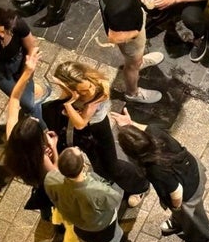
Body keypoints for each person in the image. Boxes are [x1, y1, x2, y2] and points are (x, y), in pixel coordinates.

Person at [114, 107, 209, 242]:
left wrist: (177, 207)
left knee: (193, 218)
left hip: (188, 189)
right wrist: (129, 125)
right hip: (190, 168)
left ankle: (198, 240)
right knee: (183, 215)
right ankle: (179, 222)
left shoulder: (155, 167)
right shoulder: (153, 132)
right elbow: (144, 129)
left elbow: (177, 191)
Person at [53, 61, 150, 206]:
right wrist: (70, 102)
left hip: (99, 126)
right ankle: (106, 176)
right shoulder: (70, 93)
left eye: (88, 87)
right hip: (84, 130)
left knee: (113, 165)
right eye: (83, 91)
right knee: (96, 162)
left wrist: (69, 106)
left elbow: (80, 123)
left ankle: (140, 186)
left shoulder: (99, 87)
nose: (90, 91)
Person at [92, 0, 163, 103]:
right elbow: (114, 37)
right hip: (129, 34)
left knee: (136, 58)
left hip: (128, 18)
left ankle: (140, 61)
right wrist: (136, 32)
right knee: (132, 63)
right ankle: (133, 92)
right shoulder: (121, 6)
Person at [44, 147, 133, 242]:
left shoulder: (51, 180)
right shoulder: (96, 190)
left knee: (83, 237)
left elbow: (53, 180)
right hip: (103, 226)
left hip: (76, 222)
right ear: (83, 165)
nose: (76, 148)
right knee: (111, 241)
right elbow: (114, 199)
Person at [3, 49, 58, 219]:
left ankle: (45, 210)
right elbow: (56, 174)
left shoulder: (13, 140)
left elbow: (14, 99)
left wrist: (27, 72)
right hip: (46, 181)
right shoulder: (41, 158)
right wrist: (54, 148)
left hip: (32, 178)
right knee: (50, 195)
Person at [0, 3, 45, 124]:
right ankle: (41, 128)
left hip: (20, 64)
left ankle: (37, 126)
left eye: (2, 30)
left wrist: (27, 70)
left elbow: (31, 46)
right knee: (28, 104)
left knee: (28, 102)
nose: (1, 35)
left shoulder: (17, 23)